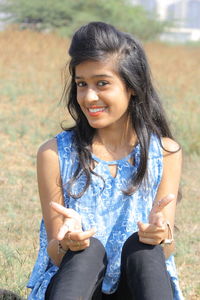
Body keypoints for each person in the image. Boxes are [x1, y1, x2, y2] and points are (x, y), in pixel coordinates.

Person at [27, 22, 184, 300]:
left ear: (132, 86)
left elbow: (166, 252)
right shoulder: (53, 154)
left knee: (144, 250)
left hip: (136, 286)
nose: (89, 97)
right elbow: (53, 253)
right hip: (75, 283)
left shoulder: (166, 153)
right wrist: (66, 243)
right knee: (88, 251)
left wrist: (160, 236)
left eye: (102, 83)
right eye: (81, 84)